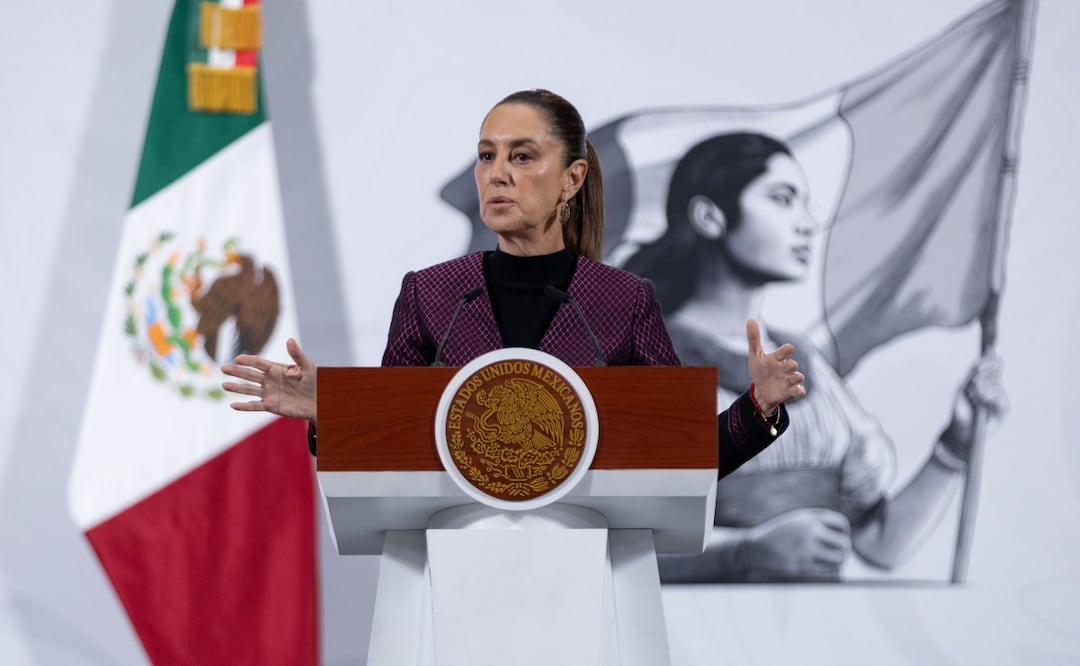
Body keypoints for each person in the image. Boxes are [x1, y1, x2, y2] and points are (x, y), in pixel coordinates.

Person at [220, 90, 806, 477]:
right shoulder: (431, 296)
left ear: (572, 178)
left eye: (522, 157)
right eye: (486, 156)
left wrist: (758, 407)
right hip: (461, 575)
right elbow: (391, 453)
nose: (496, 173)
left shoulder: (624, 302)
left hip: (586, 576)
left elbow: (685, 455)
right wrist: (335, 415)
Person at [623, 132, 1008, 582]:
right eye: (782, 199)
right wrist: (744, 553)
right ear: (710, 216)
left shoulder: (808, 365)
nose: (807, 223)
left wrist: (957, 442)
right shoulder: (645, 358)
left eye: (805, 203)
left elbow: (879, 544)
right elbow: (614, 546)